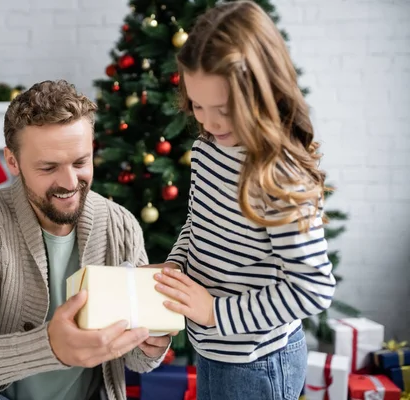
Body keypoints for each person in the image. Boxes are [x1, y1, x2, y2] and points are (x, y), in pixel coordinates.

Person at [0, 80, 172, 400]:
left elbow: (136, 359)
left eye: (80, 162)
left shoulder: (120, 225)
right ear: (12, 161)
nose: (70, 183)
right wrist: (49, 347)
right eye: (49, 167)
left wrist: (150, 343)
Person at [144, 1, 336, 399]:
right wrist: (175, 267)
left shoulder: (279, 177)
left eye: (225, 110)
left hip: (259, 362)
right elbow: (198, 225)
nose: (209, 123)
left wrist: (215, 312)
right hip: (212, 348)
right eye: (197, 106)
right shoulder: (207, 149)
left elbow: (313, 286)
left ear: (263, 94)